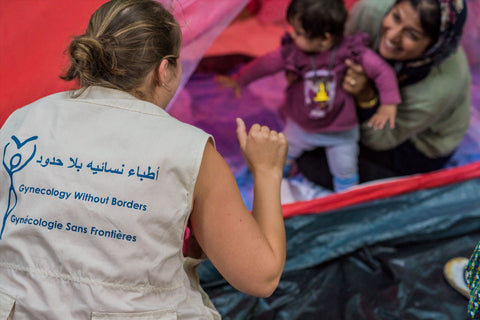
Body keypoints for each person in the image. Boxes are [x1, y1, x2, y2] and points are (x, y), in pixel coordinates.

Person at [0, 0, 288, 318]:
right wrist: (267, 171)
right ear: (164, 70)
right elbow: (260, 277)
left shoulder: (22, 122)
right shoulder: (187, 149)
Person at [216, 0, 401, 192]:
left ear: (325, 39)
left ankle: (345, 199)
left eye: (299, 33)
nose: (292, 35)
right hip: (301, 126)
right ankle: (277, 182)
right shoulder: (294, 52)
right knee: (281, 154)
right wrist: (241, 79)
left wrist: (389, 104)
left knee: (345, 169)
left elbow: (381, 71)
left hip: (340, 131)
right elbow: (266, 64)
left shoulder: (350, 51)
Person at [297, 0, 470, 189]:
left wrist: (365, 95)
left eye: (412, 35)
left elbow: (380, 140)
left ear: (433, 47)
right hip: (371, 102)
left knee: (314, 162)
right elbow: (336, 52)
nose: (393, 35)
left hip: (415, 141)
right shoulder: (371, 11)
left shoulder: (439, 86)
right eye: (396, 17)